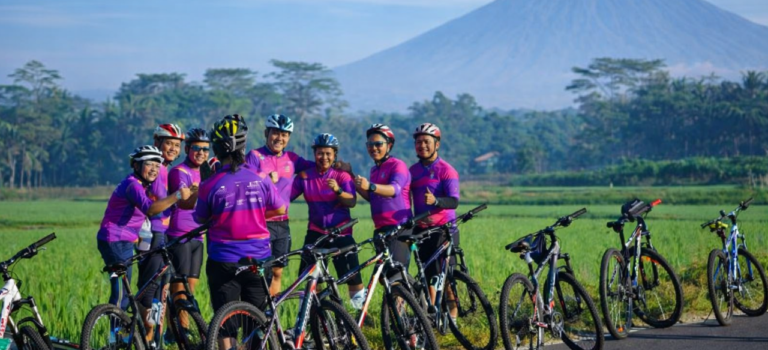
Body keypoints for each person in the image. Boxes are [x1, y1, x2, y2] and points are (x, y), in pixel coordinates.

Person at [196, 114, 285, 321]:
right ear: (243, 147)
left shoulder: (209, 184)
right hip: (258, 259)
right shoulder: (260, 177)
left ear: (217, 149)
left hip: (223, 260)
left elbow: (201, 219)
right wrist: (256, 213)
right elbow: (280, 209)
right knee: (257, 323)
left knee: (225, 323)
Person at [96, 145, 191, 312]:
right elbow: (151, 209)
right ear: (136, 165)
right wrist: (176, 196)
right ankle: (113, 335)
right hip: (115, 240)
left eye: (157, 165)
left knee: (126, 290)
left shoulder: (143, 185)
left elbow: (158, 208)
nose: (154, 169)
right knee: (121, 292)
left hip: (124, 241)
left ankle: (123, 331)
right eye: (149, 164)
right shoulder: (133, 185)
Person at [290, 133, 364, 307]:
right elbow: (286, 198)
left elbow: (351, 201)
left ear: (335, 154)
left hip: (341, 231)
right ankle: (309, 319)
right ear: (314, 154)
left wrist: (338, 190)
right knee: (308, 278)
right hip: (316, 232)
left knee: (353, 276)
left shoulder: (342, 176)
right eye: (320, 153)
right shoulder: (305, 176)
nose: (324, 157)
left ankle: (359, 317)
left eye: (328, 153)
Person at [245, 114, 313, 296]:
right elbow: (244, 183)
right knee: (261, 272)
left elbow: (318, 167)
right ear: (266, 133)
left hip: (282, 224)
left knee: (277, 271)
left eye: (285, 134)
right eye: (275, 133)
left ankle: (271, 316)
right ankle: (257, 312)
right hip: (260, 224)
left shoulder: (292, 158)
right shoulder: (255, 156)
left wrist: (339, 167)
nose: (280, 138)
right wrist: (265, 178)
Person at [137, 123, 186, 340]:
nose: (174, 148)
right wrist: (177, 198)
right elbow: (154, 204)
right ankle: (147, 336)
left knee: (161, 288)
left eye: (177, 145)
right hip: (154, 232)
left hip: (164, 234)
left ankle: (155, 337)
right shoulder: (157, 169)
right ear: (157, 142)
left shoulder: (164, 169)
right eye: (169, 143)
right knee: (150, 288)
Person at [408, 123, 460, 322]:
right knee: (428, 275)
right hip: (422, 231)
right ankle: (433, 317)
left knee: (445, 278)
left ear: (436, 144)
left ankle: (452, 319)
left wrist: (436, 201)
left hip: (444, 230)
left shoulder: (446, 170)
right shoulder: (412, 171)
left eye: (427, 142)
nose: (422, 145)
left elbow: (454, 201)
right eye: (419, 142)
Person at [349, 124, 413, 271]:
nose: (374, 148)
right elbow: (373, 197)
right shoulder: (374, 169)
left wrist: (370, 186)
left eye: (378, 144)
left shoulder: (398, 165)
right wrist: (351, 175)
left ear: (389, 145)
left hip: (399, 227)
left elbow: (394, 190)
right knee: (383, 277)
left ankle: (413, 294)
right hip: (380, 229)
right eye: (370, 144)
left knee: (395, 276)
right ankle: (414, 293)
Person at [165, 128, 209, 337]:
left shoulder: (205, 173)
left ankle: (179, 329)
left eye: (205, 149)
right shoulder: (178, 172)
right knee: (179, 287)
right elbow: (184, 200)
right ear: (187, 149)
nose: (201, 153)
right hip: (179, 234)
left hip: (198, 236)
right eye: (197, 148)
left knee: (190, 287)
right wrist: (198, 190)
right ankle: (179, 330)